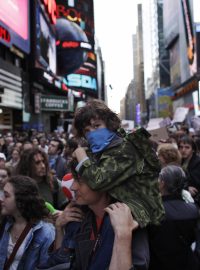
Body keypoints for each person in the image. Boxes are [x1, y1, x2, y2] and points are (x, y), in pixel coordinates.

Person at [37, 160, 149, 270]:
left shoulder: (129, 220)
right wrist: (59, 228)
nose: (73, 187)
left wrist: (122, 235)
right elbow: (58, 262)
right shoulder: (77, 215)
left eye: (80, 181)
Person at [72, 99, 164, 227]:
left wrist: (82, 157)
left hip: (143, 220)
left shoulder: (126, 148)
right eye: (87, 130)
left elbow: (98, 181)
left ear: (109, 124)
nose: (92, 133)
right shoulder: (105, 150)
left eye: (97, 126)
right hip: (123, 216)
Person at [148, 165, 200, 270]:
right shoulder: (193, 210)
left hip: (158, 264)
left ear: (162, 183)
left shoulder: (152, 211)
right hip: (186, 264)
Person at [0, 175, 55, 270]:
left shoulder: (46, 232)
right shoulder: (5, 221)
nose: (1, 199)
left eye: (6, 195)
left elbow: (47, 266)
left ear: (20, 201)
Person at [178, 135, 200, 204]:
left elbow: (195, 183)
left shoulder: (198, 162)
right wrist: (187, 188)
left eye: (187, 147)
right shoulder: (179, 161)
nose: (183, 150)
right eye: (181, 147)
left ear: (193, 149)